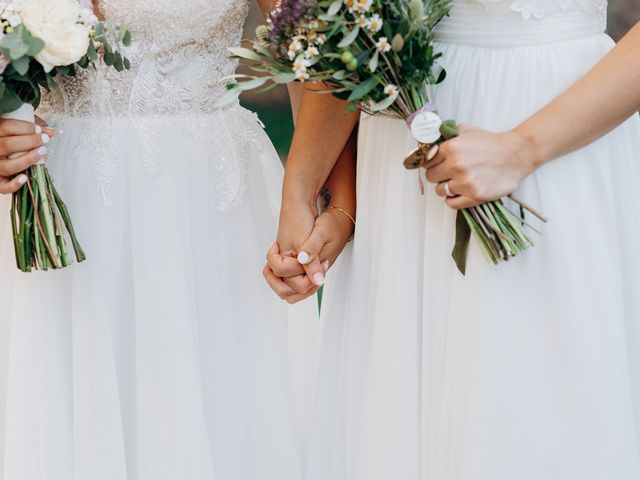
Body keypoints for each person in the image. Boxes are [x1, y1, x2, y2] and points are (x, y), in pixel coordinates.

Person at [269, 2, 640, 479]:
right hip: (401, 130)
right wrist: (301, 189)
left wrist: (522, 148)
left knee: (533, 399)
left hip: (557, 119)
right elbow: (340, 15)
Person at [0, 1, 321, 478]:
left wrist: (312, 194)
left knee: (208, 404)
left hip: (202, 204)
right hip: (49, 191)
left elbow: (314, 56)